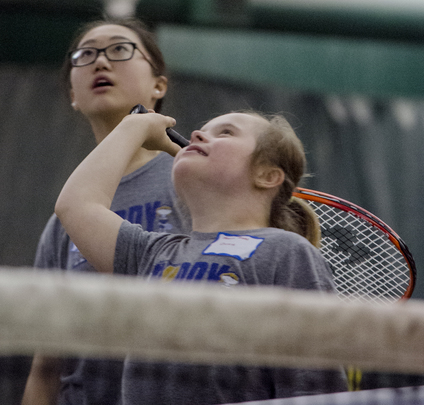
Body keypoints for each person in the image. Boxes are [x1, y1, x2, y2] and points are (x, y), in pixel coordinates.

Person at [55, 108, 348, 404]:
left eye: (226, 133)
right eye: (201, 131)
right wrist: (135, 127)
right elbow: (76, 205)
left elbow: (314, 390)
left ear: (267, 175)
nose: (197, 134)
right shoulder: (153, 254)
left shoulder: (287, 252)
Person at [22, 17, 190, 405]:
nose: (100, 62)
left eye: (119, 49)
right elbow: (46, 369)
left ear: (158, 85)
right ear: (73, 95)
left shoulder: (194, 185)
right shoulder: (64, 223)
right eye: (86, 55)